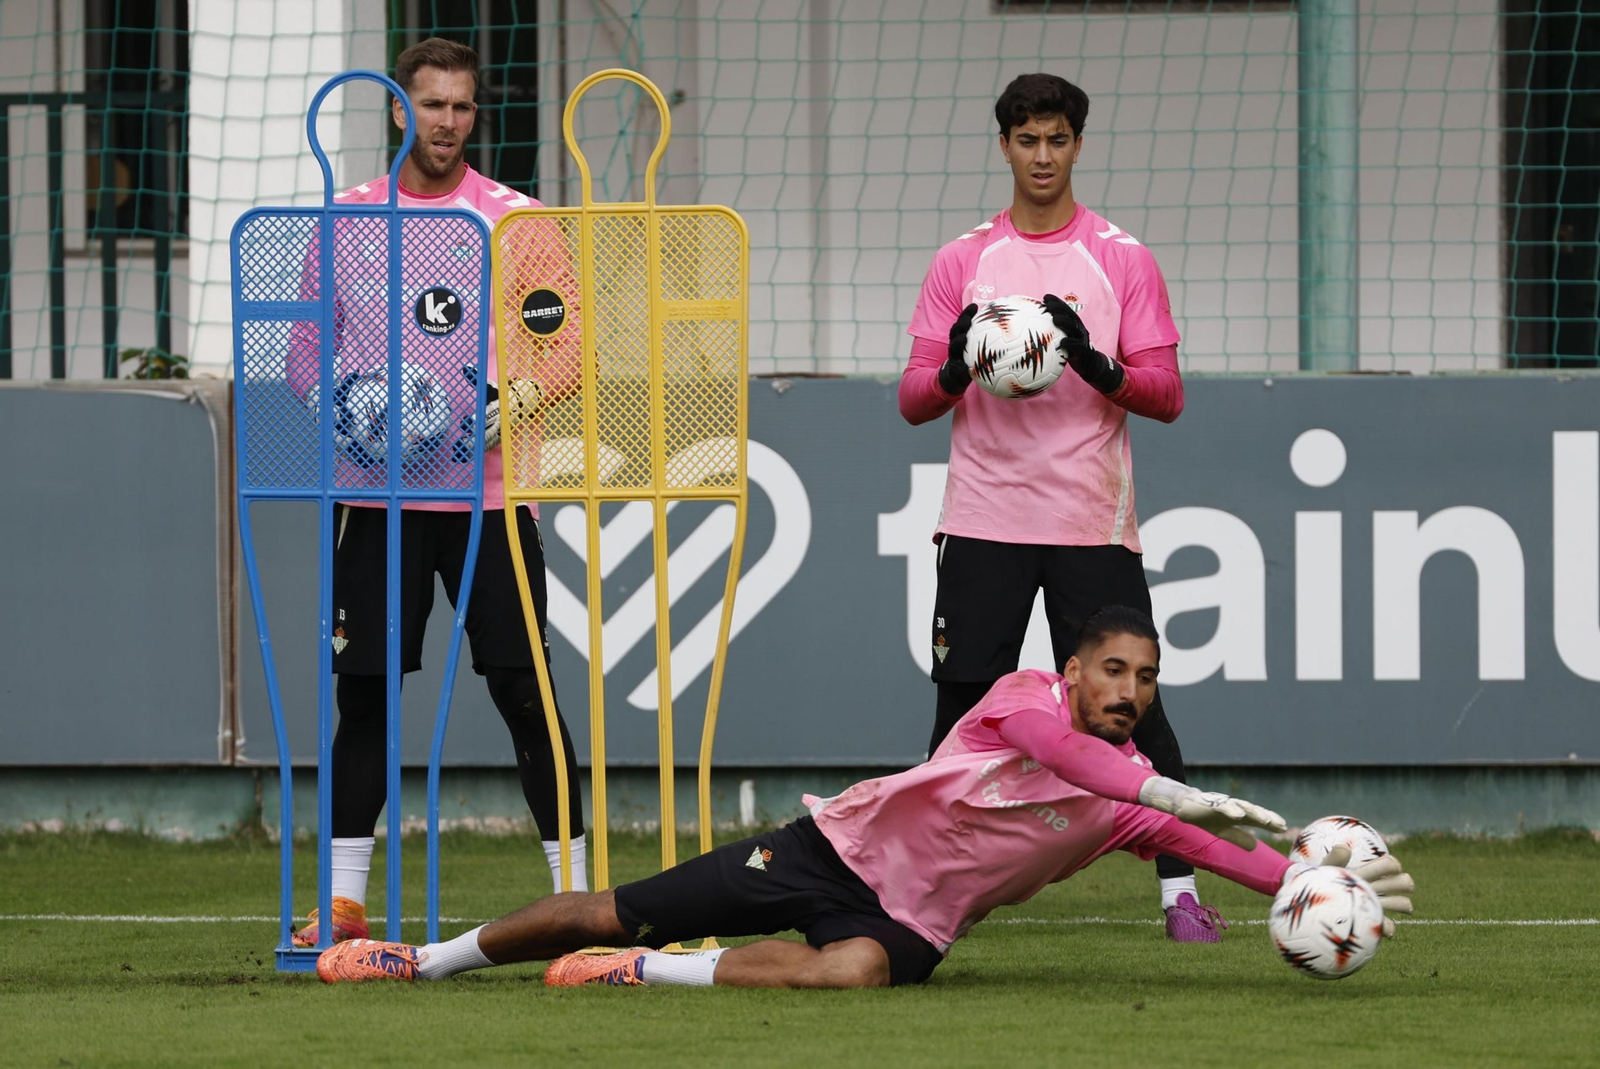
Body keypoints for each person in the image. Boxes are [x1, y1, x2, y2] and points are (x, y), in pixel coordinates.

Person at [312, 606, 1416, 988]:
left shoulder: (1125, 801)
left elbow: (1218, 850)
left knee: (849, 974)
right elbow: (1077, 761)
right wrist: (1179, 788)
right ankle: (425, 960)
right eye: (1114, 672)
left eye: (1147, 678)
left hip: (912, 923)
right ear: (1076, 671)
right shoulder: (1020, 701)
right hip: (832, 852)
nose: (1130, 691)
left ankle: (639, 973)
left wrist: (1315, 881)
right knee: (613, 903)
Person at [284, 38, 586, 947]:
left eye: (462, 106)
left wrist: (522, 395)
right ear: (397, 108)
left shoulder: (517, 220)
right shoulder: (347, 218)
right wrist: (348, 410)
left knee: (526, 692)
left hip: (492, 500)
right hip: (375, 501)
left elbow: (568, 347)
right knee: (366, 698)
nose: (447, 123)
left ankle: (577, 901)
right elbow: (305, 355)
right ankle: (343, 905)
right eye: (431, 105)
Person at [899, 72, 1213, 939]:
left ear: (1078, 145)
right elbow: (914, 398)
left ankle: (1180, 896)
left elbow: (1167, 393)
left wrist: (1098, 365)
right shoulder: (963, 260)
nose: (1043, 156)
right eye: (1028, 140)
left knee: (1137, 710)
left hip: (1088, 525)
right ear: (1004, 146)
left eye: (1058, 139)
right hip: (983, 522)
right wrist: (957, 367)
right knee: (960, 714)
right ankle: (917, 897)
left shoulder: (1121, 257)